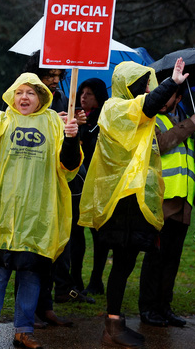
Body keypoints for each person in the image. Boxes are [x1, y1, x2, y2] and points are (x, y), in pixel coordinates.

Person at [0, 72, 82, 349]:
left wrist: (71, 138)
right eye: (20, 92)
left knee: (31, 273)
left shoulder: (54, 124)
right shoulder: (2, 120)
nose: (25, 97)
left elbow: (68, 165)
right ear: (12, 94)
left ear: (41, 97)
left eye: (31, 93)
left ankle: (24, 330)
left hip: (37, 214)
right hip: (4, 213)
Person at [79, 58, 189, 348]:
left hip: (133, 199)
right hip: (121, 201)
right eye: (143, 84)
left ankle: (115, 324)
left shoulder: (133, 111)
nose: (146, 89)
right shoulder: (116, 107)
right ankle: (112, 326)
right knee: (122, 261)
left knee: (125, 262)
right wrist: (172, 84)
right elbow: (149, 105)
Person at [22, 52, 92, 330]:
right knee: (30, 251)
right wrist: (51, 121)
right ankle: (27, 313)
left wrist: (77, 127)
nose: (54, 80)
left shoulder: (65, 98)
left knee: (56, 247)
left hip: (59, 183)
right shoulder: (24, 97)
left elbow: (71, 149)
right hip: (31, 182)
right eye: (49, 74)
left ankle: (47, 306)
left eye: (58, 75)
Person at [138, 85, 195, 328]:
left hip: (183, 202)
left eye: (169, 96)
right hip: (161, 201)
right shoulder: (152, 118)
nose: (163, 100)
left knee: (172, 260)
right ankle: (147, 308)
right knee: (155, 258)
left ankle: (164, 307)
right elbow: (159, 145)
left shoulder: (185, 123)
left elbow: (192, 163)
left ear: (178, 98)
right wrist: (188, 125)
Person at [68, 78, 110, 295]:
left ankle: (96, 280)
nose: (83, 97)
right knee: (75, 233)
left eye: (89, 93)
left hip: (97, 185)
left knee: (99, 235)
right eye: (82, 92)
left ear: (99, 97)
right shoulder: (73, 118)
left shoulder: (105, 120)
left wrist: (87, 129)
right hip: (77, 185)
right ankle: (75, 279)